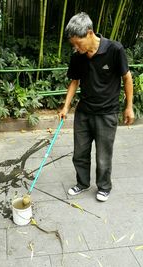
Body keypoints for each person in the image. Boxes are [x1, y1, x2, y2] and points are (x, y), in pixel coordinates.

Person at [59, 12, 134, 201]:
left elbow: (127, 77)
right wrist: (66, 107)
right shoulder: (78, 56)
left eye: (78, 43)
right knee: (80, 153)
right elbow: (75, 81)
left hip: (107, 113)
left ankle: (104, 187)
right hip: (84, 112)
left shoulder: (115, 50)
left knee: (103, 155)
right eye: (73, 44)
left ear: (90, 33)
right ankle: (82, 183)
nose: (75, 47)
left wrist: (129, 106)